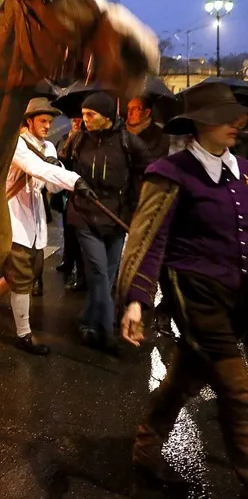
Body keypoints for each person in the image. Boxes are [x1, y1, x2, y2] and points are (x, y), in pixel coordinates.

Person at [119, 82, 248, 491]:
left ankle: (146, 445)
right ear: (199, 123)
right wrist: (137, 300)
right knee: (237, 389)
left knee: (184, 379)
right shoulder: (170, 172)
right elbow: (149, 240)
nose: (236, 123)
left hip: (236, 297)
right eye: (224, 117)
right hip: (196, 295)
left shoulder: (242, 170)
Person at [0, 98, 93, 354]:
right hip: (14, 218)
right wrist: (74, 180)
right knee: (21, 278)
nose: (47, 126)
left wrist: (58, 167)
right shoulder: (17, 144)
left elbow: (51, 186)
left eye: (49, 122)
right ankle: (24, 334)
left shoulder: (49, 147)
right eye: (42, 121)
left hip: (36, 221)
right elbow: (34, 167)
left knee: (23, 276)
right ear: (29, 121)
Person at [62, 91, 154, 353]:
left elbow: (149, 170)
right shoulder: (78, 139)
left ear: (106, 117)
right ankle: (106, 331)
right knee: (100, 276)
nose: (85, 119)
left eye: (90, 115)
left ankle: (87, 323)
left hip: (116, 218)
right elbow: (60, 163)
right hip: (84, 216)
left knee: (108, 276)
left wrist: (138, 205)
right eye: (83, 114)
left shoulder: (128, 142)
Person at [56, 118, 87, 291]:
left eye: (79, 118)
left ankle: (80, 274)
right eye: (74, 119)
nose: (76, 122)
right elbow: (61, 159)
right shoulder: (65, 138)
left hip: (80, 191)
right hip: (67, 192)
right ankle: (68, 262)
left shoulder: (85, 139)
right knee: (69, 232)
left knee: (80, 237)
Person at [126, 95, 170, 161]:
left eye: (135, 109)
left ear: (147, 112)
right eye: (129, 108)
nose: (130, 113)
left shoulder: (161, 136)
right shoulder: (120, 132)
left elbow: (153, 161)